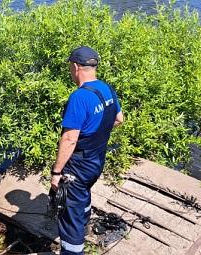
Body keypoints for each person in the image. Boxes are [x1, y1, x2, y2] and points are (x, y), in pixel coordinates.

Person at [51, 46, 124, 255]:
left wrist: (56, 173)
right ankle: (83, 226)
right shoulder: (107, 89)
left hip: (78, 166)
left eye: (69, 68)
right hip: (97, 161)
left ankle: (74, 250)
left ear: (75, 67)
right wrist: (96, 134)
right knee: (82, 199)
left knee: (70, 215)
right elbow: (119, 119)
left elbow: (69, 139)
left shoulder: (79, 97)